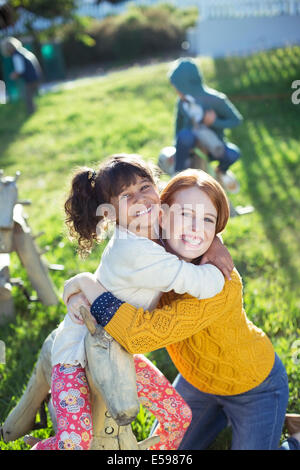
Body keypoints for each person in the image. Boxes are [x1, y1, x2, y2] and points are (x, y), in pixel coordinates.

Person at [65, 169, 300, 450]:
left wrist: (85, 283)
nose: (195, 228)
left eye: (207, 220)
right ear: (161, 215)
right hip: (196, 380)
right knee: (159, 452)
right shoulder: (153, 252)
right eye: (185, 214)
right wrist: (85, 296)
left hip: (253, 386)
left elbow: (139, 337)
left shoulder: (218, 285)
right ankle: (220, 417)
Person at [32, 154, 233, 451]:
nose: (140, 199)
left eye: (144, 186)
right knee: (76, 442)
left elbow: (190, 224)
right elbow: (201, 284)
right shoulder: (133, 251)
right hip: (76, 355)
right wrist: (219, 270)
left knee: (178, 416)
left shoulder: (154, 226)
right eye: (126, 196)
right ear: (110, 214)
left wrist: (214, 240)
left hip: (120, 350)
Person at [169, 58, 243, 192]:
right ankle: (178, 172)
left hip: (214, 146)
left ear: (188, 86)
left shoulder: (215, 100)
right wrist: (176, 147)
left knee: (234, 154)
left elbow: (236, 120)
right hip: (191, 146)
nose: (177, 93)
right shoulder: (181, 103)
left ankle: (221, 171)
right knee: (184, 135)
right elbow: (178, 127)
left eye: (179, 89)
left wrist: (214, 122)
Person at [0, 36, 42, 114]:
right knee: (30, 96)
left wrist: (13, 75)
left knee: (27, 97)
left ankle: (31, 113)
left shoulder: (16, 55)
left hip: (30, 78)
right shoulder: (22, 51)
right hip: (35, 76)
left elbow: (20, 70)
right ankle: (35, 111)